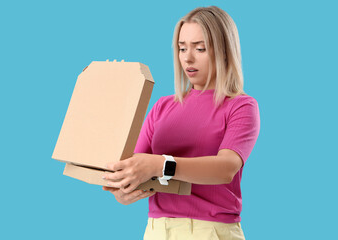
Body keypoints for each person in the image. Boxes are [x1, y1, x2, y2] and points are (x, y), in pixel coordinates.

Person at [102, 6, 260, 240]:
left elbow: (226, 168)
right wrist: (123, 189)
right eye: (182, 48)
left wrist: (162, 165)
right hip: (157, 230)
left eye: (200, 48)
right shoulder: (162, 107)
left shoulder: (240, 106)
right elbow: (136, 166)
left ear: (225, 51)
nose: (188, 57)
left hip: (211, 231)